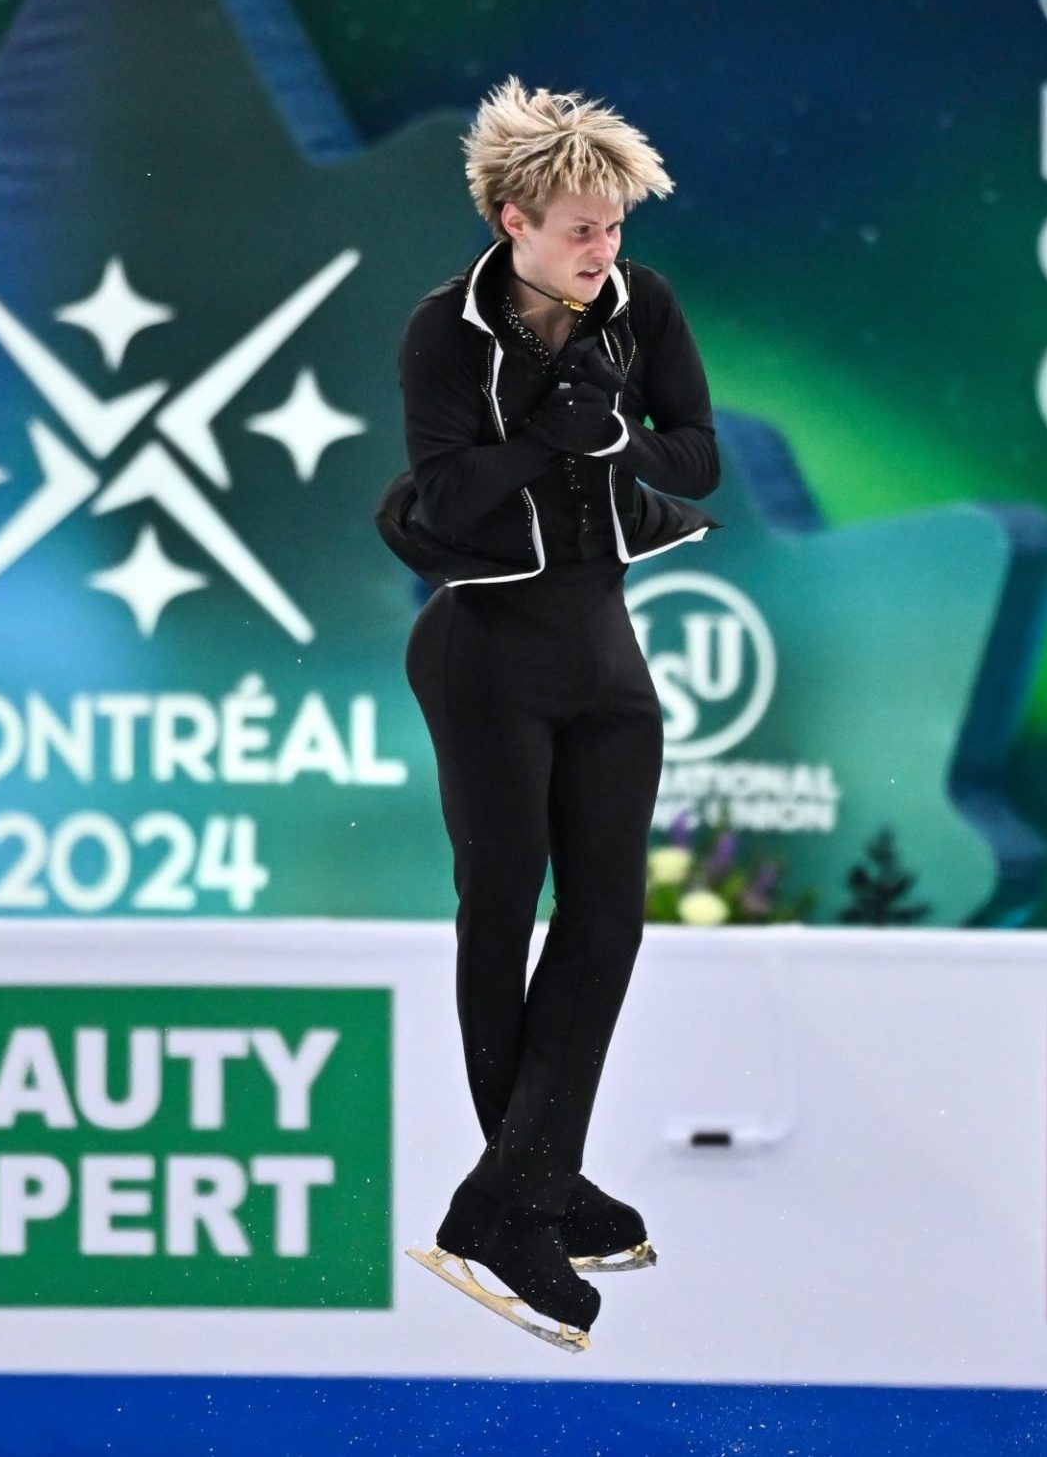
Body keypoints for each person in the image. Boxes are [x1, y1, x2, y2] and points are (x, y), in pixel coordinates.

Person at [373, 79, 717, 1351]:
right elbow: (447, 498)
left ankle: (509, 1196)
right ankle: (532, 1194)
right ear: (514, 218)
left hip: (603, 649)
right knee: (502, 897)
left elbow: (697, 454)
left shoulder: (645, 308)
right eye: (581, 227)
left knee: (612, 919)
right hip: (483, 652)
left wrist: (612, 437)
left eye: (615, 228)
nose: (603, 250)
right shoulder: (443, 333)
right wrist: (544, 440)